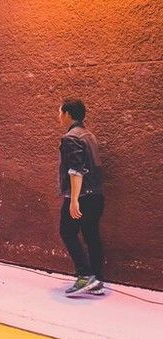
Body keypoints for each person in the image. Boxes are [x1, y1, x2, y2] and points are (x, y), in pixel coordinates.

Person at [57, 98, 106, 297]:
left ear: (68, 114)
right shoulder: (89, 135)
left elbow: (76, 170)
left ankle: (84, 275)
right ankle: (96, 280)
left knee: (67, 231)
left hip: (82, 196)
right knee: (91, 235)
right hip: (96, 195)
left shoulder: (71, 138)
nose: (58, 116)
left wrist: (74, 199)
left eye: (60, 112)